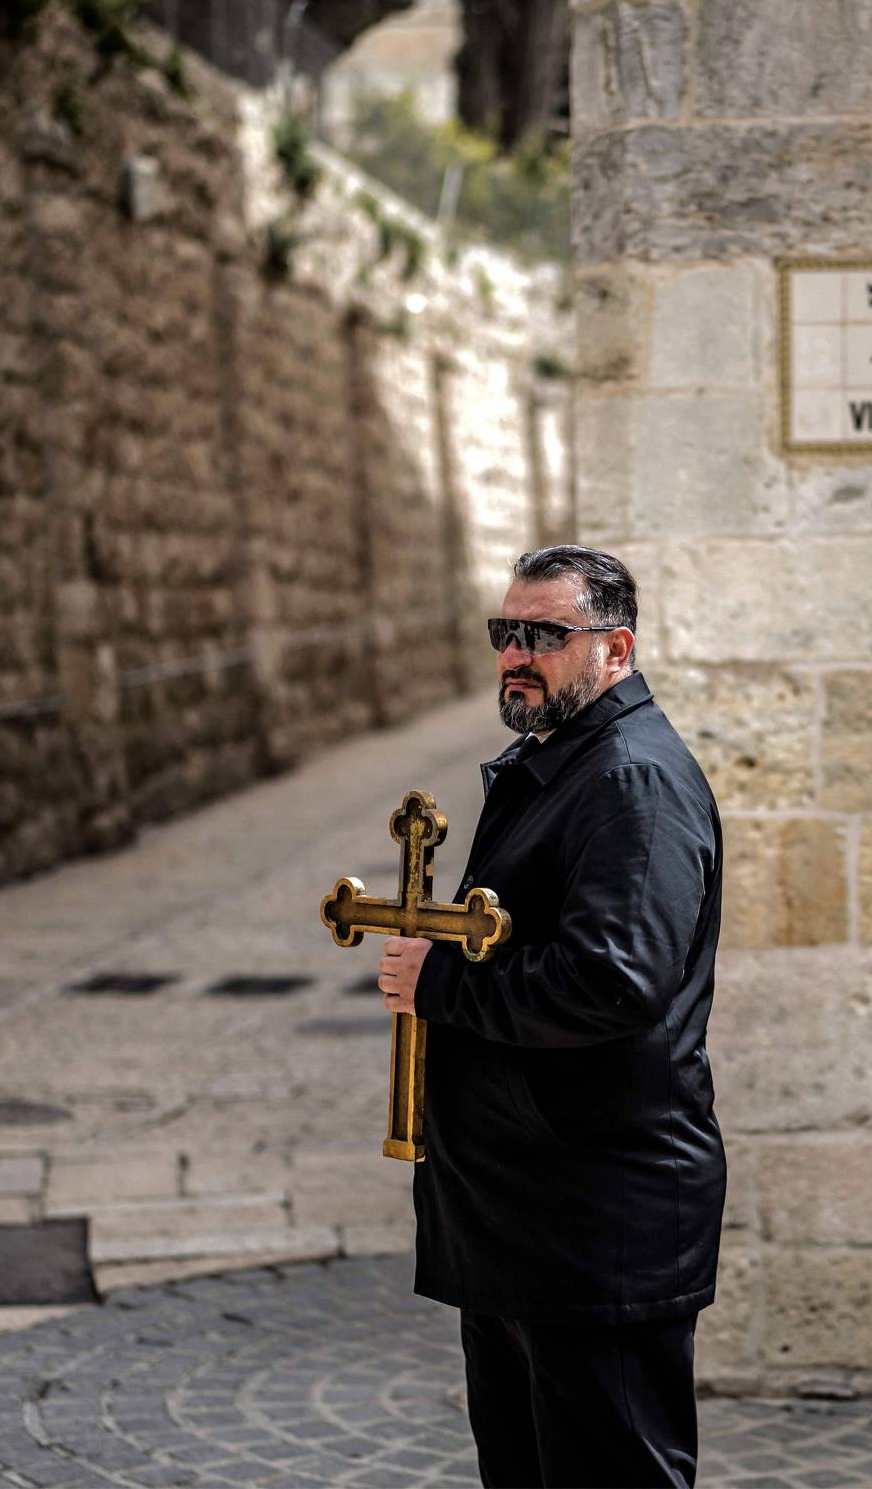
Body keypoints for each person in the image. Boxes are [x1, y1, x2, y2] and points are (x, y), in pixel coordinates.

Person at [374, 544, 727, 1489]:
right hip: (525, 1211)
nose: (515, 655)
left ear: (615, 650)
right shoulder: (563, 762)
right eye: (506, 632)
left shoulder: (633, 781)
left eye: (545, 636)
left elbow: (614, 982)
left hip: (596, 1216)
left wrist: (440, 985)